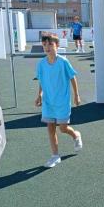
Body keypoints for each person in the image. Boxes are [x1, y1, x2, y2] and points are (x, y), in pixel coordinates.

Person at [35, 33, 83, 168]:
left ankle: (76, 135)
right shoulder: (41, 64)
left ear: (57, 45)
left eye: (50, 44)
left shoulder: (63, 62)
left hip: (62, 102)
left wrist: (76, 95)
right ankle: (55, 156)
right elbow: (41, 81)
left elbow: (72, 77)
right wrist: (39, 95)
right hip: (48, 102)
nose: (47, 47)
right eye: (44, 45)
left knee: (63, 128)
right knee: (50, 129)